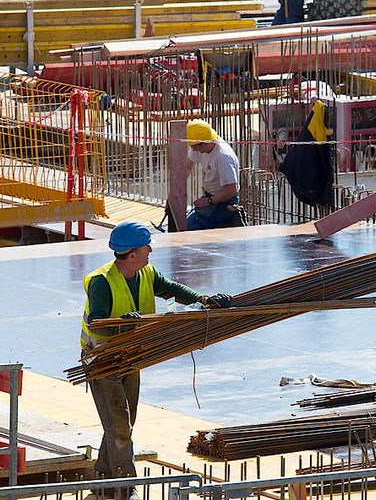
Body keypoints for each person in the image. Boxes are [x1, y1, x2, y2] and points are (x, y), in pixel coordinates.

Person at [81, 221, 231, 497]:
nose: (151, 250)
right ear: (132, 253)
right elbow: (96, 323)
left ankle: (102, 485)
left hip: (130, 357)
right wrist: (121, 324)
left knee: (121, 425)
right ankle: (126, 490)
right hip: (102, 361)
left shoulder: (146, 272)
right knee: (119, 428)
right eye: (146, 246)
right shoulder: (102, 281)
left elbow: (172, 289)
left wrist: (204, 299)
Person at [184, 119, 244, 230]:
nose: (192, 149)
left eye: (194, 146)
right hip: (211, 197)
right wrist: (175, 193)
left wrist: (208, 201)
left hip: (224, 202)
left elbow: (231, 190)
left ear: (203, 143)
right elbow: (186, 168)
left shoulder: (223, 157)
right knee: (186, 223)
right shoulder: (201, 146)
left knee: (191, 226)